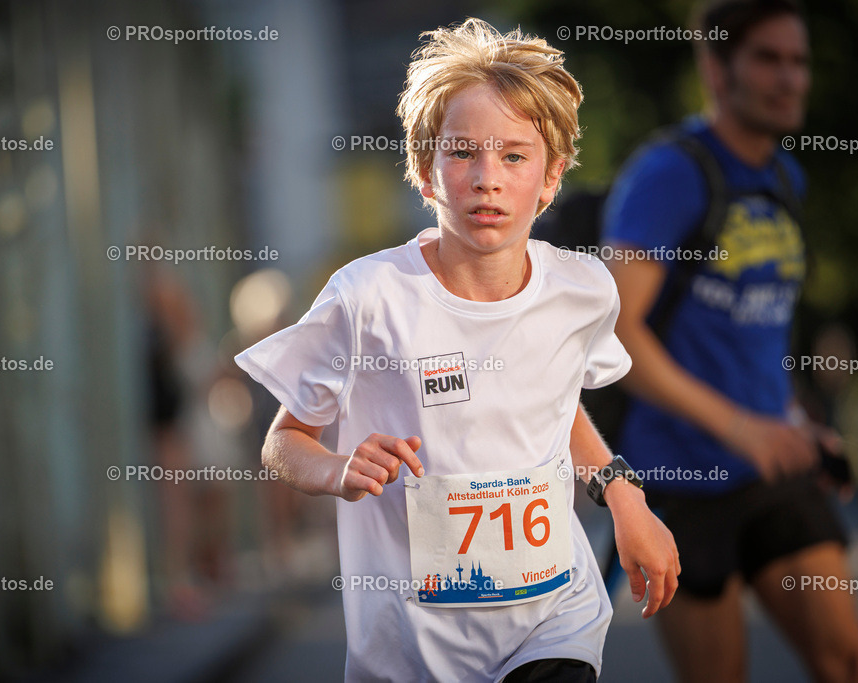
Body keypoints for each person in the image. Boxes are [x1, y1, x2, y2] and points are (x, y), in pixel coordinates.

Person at [235, 18, 679, 682]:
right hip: (411, 650)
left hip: (552, 621)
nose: (487, 178)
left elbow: (556, 409)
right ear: (424, 170)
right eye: (463, 152)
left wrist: (623, 495)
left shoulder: (582, 289)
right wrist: (339, 468)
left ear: (552, 176)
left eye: (514, 156)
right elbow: (283, 441)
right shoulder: (367, 297)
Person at [602, 1, 858, 681]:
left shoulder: (785, 178)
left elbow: (755, 327)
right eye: (768, 59)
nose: (791, 79)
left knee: (850, 662)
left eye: (799, 61)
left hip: (771, 469)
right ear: (717, 70)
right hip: (679, 479)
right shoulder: (668, 173)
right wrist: (740, 427)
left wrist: (791, 421)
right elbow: (613, 331)